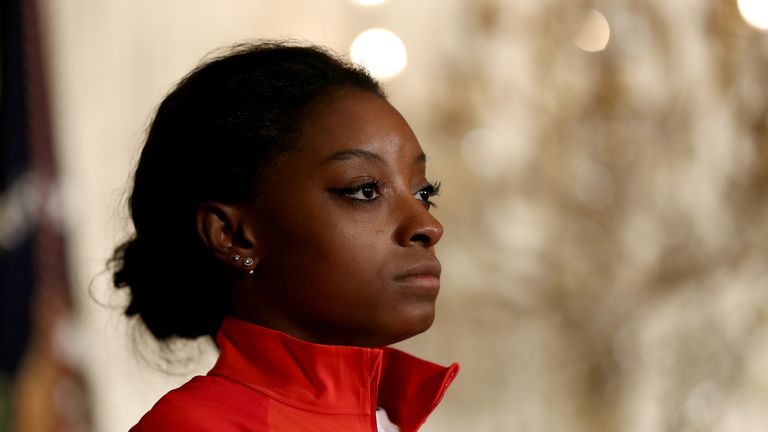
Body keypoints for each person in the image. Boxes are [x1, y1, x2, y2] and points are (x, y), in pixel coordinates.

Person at [110, 40, 459, 432]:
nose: (429, 227)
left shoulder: (386, 420)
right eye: (364, 190)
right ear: (234, 236)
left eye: (424, 193)